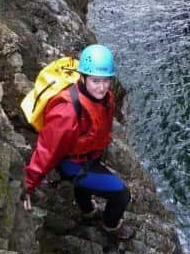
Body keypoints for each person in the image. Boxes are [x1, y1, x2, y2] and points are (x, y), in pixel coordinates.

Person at [23, 44, 133, 240]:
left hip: (88, 156)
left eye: (106, 81)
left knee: (85, 185)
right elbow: (46, 150)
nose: (101, 87)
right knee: (121, 195)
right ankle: (110, 226)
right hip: (73, 163)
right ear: (82, 77)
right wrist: (28, 186)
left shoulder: (102, 96)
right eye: (95, 81)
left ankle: (88, 211)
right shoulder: (67, 112)